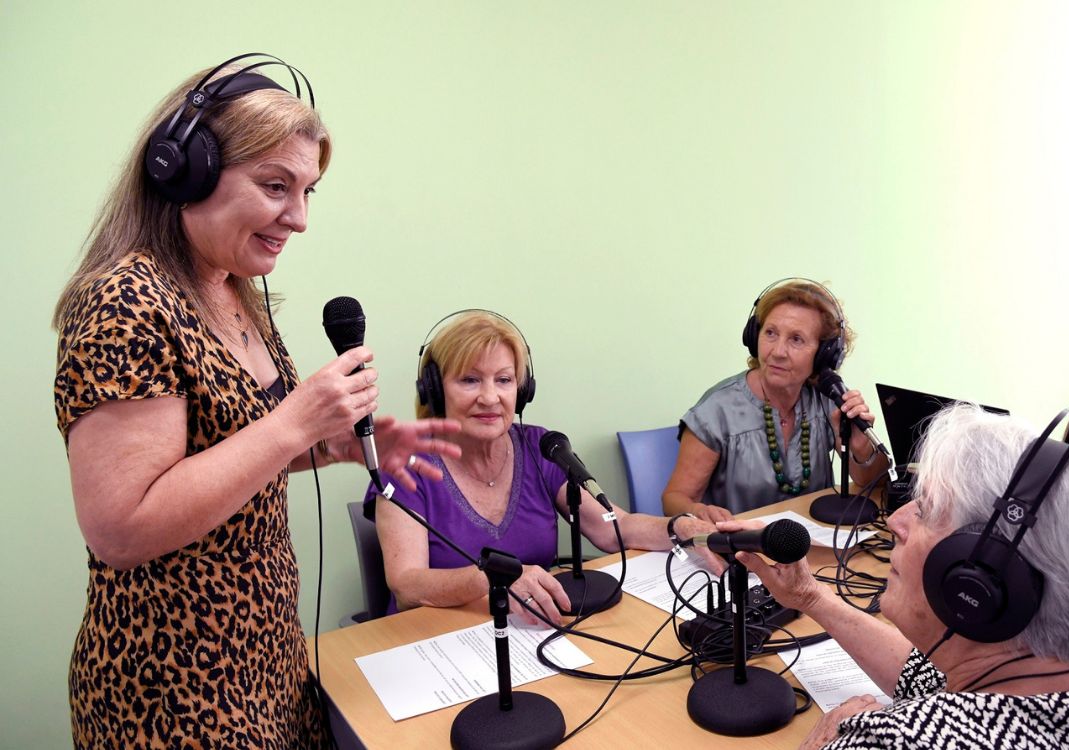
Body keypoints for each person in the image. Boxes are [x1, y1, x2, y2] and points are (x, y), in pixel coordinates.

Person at [52, 55, 458, 748]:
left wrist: (325, 445)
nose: (297, 218)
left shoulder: (228, 286)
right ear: (184, 170)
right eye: (276, 186)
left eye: (307, 192)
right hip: (173, 691)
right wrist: (293, 420)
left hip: (265, 658)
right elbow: (121, 528)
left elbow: (226, 452)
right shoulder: (127, 299)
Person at [730, 404, 1069, 749]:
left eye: (923, 510)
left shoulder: (898, 742)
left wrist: (827, 740)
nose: (895, 522)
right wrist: (809, 596)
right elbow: (930, 675)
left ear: (979, 578)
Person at [369, 310, 720, 625]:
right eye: (469, 380)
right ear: (434, 390)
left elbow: (617, 528)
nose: (490, 397)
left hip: (530, 632)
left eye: (504, 380)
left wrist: (684, 528)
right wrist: (494, 578)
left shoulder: (539, 449)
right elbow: (407, 584)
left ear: (521, 391)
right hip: (436, 644)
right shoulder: (405, 466)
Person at [663, 279, 889, 522]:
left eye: (796, 339)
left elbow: (871, 483)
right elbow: (674, 498)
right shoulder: (716, 410)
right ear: (754, 336)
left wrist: (860, 447)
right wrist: (697, 511)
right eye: (770, 333)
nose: (778, 351)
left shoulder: (827, 399)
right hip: (741, 548)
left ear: (825, 353)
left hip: (813, 548)